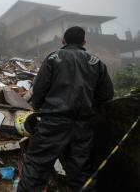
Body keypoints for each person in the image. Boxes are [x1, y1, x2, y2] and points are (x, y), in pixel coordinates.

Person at [17, 26, 114, 192]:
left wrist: (37, 108)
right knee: (81, 171)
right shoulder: (96, 62)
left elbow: (39, 90)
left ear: (63, 40)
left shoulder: (53, 58)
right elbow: (107, 95)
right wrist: (88, 105)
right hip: (82, 126)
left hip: (52, 123)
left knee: (36, 166)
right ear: (84, 42)